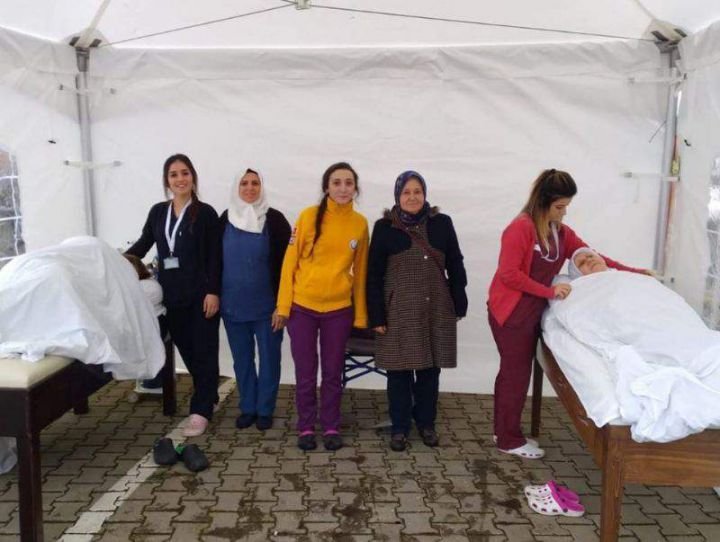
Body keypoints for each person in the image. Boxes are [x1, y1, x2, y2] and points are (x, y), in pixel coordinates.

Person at [487, 168, 646, 459]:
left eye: (566, 207)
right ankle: (508, 440)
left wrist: (635, 272)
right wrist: (549, 291)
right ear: (543, 202)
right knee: (515, 374)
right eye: (560, 207)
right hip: (510, 312)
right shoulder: (520, 229)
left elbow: (594, 256)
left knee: (513, 372)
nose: (564, 213)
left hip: (530, 310)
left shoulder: (560, 232)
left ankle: (503, 430)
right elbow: (509, 274)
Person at [367, 170, 468, 451]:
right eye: (406, 192)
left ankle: (426, 424)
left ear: (425, 194)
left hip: (435, 308)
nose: (412, 197)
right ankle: (400, 427)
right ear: (397, 196)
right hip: (397, 311)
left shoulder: (442, 223)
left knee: (429, 371)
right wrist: (376, 315)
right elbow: (373, 275)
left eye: (417, 192)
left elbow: (455, 263)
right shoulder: (384, 227)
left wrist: (459, 301)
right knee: (398, 372)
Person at [275, 162, 369, 451]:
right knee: (306, 372)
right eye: (336, 182)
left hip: (339, 311)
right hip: (302, 308)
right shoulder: (307, 216)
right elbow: (289, 263)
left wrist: (361, 315)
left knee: (332, 372)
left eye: (348, 183)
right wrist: (283, 306)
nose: (343, 188)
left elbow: (361, 273)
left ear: (355, 188)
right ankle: (305, 426)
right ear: (327, 187)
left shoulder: (360, 224)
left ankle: (330, 425)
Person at [126, 154, 221, 437]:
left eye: (185, 173)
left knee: (204, 351)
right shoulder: (158, 212)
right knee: (187, 350)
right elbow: (144, 243)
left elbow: (215, 257)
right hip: (171, 295)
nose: (180, 179)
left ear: (193, 177)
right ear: (167, 181)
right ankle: (209, 393)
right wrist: (118, 261)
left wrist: (213, 291)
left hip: (201, 295)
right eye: (174, 174)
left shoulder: (206, 213)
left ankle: (201, 410)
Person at [219, 168, 291, 431]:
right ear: (236, 188)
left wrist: (282, 305)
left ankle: (265, 409)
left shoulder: (275, 220)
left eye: (255, 183)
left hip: (267, 307)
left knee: (270, 359)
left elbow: (287, 266)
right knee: (242, 360)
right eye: (244, 183)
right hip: (233, 305)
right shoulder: (224, 219)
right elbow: (214, 261)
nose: (250, 188)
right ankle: (248, 407)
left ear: (262, 187)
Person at [123, 253, 167, 392]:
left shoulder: (144, 287)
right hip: (153, 325)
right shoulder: (146, 284)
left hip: (152, 328)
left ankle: (153, 383)